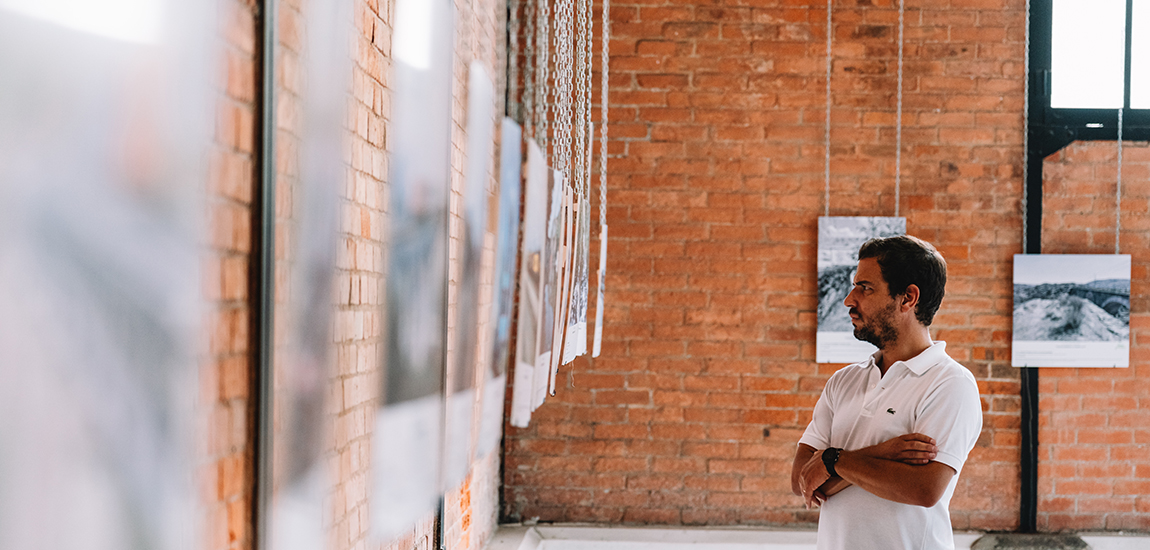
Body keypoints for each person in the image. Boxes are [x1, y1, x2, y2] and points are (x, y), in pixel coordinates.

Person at [791, 235, 983, 550]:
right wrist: (882, 452)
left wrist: (831, 459)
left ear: (907, 298)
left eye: (865, 288)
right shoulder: (843, 381)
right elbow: (801, 479)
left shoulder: (950, 383)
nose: (849, 300)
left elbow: (924, 489)